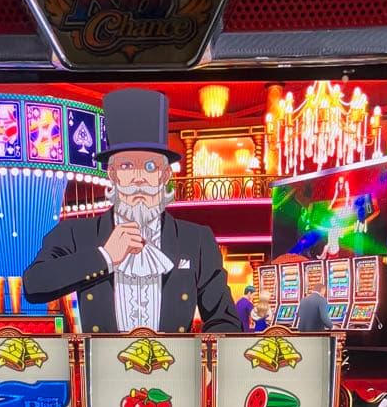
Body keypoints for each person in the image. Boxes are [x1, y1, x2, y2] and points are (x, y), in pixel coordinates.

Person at [23, 89, 241, 334]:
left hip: (173, 360)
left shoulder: (196, 240)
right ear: (112, 174)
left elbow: (226, 321)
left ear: (164, 175)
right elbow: (34, 285)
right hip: (100, 360)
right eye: (127, 166)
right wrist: (105, 256)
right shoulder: (76, 233)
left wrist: (199, 355)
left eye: (150, 166)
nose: (138, 178)